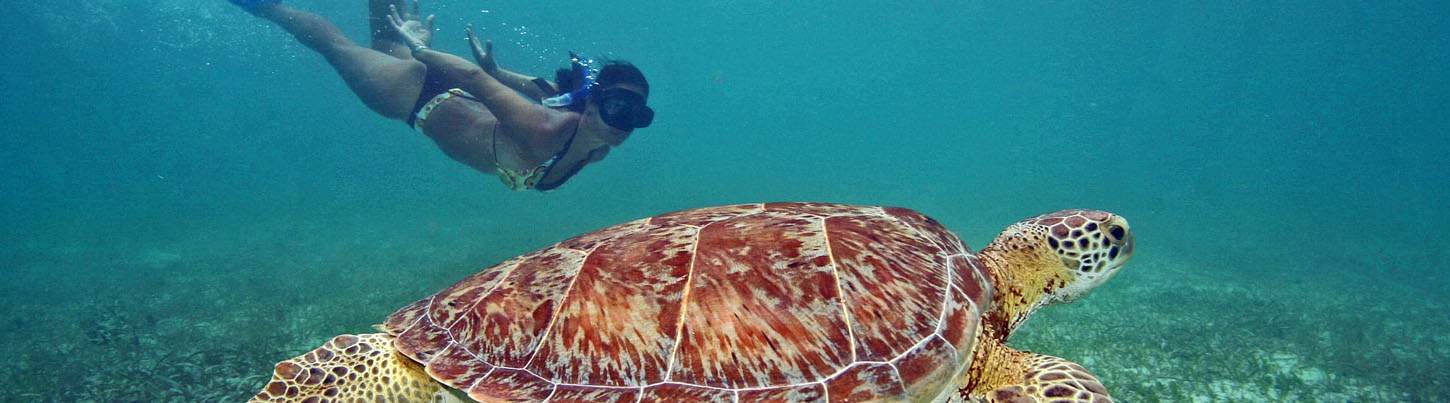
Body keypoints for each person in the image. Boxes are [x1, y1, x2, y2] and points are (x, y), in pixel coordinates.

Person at [229, 0, 654, 191]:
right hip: (409, 96)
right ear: (593, 105)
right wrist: (421, 50)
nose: (624, 124)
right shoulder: (543, 128)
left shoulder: (596, 149)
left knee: (384, 38)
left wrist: (496, 70)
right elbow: (472, 77)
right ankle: (262, 5)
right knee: (335, 46)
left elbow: (545, 88)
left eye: (636, 115)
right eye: (618, 107)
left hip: (439, 90)